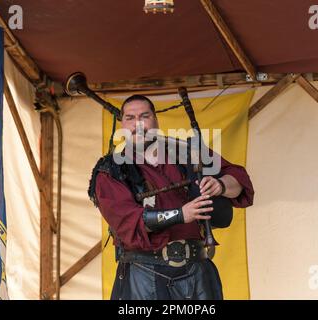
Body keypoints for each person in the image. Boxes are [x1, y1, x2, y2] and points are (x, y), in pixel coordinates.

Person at [89, 94, 254, 300]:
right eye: (130, 118)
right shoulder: (110, 171)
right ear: (122, 125)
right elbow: (128, 222)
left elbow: (240, 181)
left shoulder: (188, 153)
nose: (138, 124)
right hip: (144, 275)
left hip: (197, 273)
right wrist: (181, 214)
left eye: (144, 116)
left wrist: (220, 186)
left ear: (156, 120)